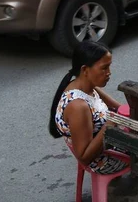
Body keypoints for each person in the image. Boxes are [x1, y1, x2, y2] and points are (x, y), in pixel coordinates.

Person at [49, 41, 126, 174]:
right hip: (104, 161)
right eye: (104, 68)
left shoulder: (87, 86)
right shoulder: (78, 107)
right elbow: (84, 157)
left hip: (110, 143)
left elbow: (119, 107)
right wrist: (109, 126)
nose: (109, 73)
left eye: (109, 67)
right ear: (85, 69)